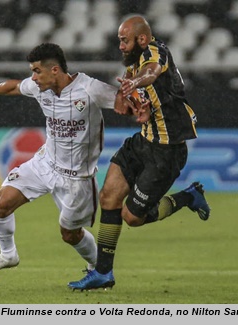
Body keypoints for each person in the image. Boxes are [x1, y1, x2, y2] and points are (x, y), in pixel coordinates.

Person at [68, 15, 211, 291]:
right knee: (108, 195)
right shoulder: (133, 64)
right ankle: (103, 273)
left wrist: (137, 84)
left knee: (132, 217)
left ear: (142, 39)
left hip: (166, 152)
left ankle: (188, 197)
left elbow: (153, 72)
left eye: (124, 40)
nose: (120, 46)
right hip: (142, 142)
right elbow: (137, 101)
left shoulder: (156, 52)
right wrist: (131, 103)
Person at [0, 43, 132, 281]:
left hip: (77, 179)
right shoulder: (38, 87)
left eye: (37, 71)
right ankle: (8, 255)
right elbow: (14, 86)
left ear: (54, 70)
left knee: (70, 235)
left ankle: (100, 269)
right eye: (32, 71)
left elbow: (122, 100)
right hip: (45, 164)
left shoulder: (89, 88)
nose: (33, 77)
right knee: (0, 205)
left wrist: (129, 101)